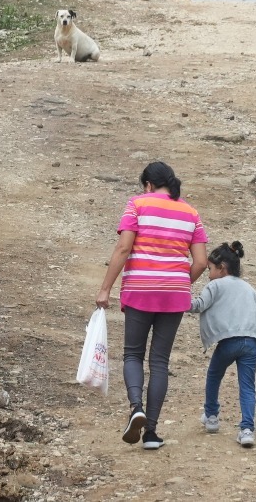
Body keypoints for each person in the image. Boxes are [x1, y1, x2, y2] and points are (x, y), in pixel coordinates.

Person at [95, 161, 208, 451]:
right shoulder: (191, 213)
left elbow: (123, 247)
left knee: (133, 354)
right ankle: (152, 433)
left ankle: (136, 408)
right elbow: (201, 262)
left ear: (148, 185)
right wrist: (180, 282)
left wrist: (105, 288)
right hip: (174, 295)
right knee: (160, 362)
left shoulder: (137, 204)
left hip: (140, 290)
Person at [189, 241, 256, 448]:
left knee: (214, 375)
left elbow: (198, 305)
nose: (209, 274)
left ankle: (212, 416)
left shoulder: (215, 285)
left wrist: (178, 298)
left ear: (221, 267)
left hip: (229, 341)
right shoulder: (250, 289)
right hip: (252, 341)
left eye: (211, 269)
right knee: (247, 386)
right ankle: (247, 430)